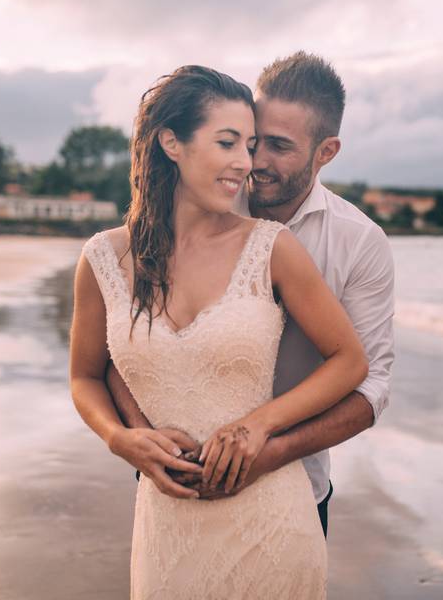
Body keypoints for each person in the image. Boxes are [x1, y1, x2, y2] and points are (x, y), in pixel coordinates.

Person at [69, 64, 368, 598]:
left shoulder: (271, 246)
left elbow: (352, 362)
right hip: (166, 526)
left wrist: (257, 426)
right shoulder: (102, 260)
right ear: (171, 143)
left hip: (271, 525)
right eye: (228, 142)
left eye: (250, 145)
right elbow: (87, 375)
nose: (245, 163)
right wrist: (122, 439)